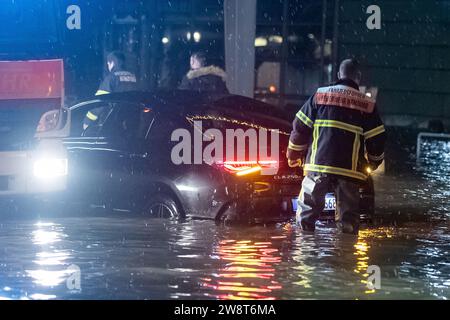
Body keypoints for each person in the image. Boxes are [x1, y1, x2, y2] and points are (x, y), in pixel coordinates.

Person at [287, 59, 386, 235]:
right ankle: (345, 257)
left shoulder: (320, 95)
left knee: (306, 217)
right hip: (349, 171)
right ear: (358, 78)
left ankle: (304, 255)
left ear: (339, 75)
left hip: (318, 166)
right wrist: (374, 162)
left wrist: (294, 154)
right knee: (348, 223)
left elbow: (299, 126)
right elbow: (377, 139)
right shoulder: (367, 104)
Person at [84, 51, 138, 129]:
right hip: (131, 123)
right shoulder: (133, 77)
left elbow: (100, 102)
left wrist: (87, 121)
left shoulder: (111, 78)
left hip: (112, 123)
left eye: (108, 64)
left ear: (112, 63)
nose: (108, 66)